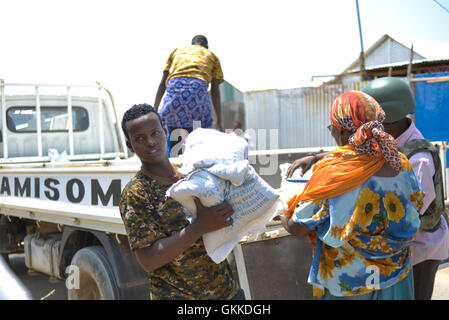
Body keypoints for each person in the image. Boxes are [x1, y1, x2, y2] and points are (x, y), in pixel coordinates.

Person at [286, 77, 449, 300]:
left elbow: (298, 227)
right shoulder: (400, 161)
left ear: (343, 132)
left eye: (332, 128)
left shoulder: (333, 172)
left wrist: (279, 210)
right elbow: (412, 204)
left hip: (350, 282)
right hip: (395, 277)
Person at [119, 103, 241, 300]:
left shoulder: (192, 172)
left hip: (227, 292)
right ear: (130, 146)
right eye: (139, 138)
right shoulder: (137, 193)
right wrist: (199, 227)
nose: (150, 142)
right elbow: (148, 260)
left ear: (165, 132)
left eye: (155, 133)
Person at [154, 35, 224, 157]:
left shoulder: (177, 52)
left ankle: (175, 167)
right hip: (197, 98)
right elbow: (215, 91)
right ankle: (197, 166)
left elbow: (162, 84)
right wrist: (219, 121)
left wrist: (154, 110)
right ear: (206, 46)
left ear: (191, 44)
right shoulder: (211, 55)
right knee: (199, 140)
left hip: (174, 98)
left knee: (175, 142)